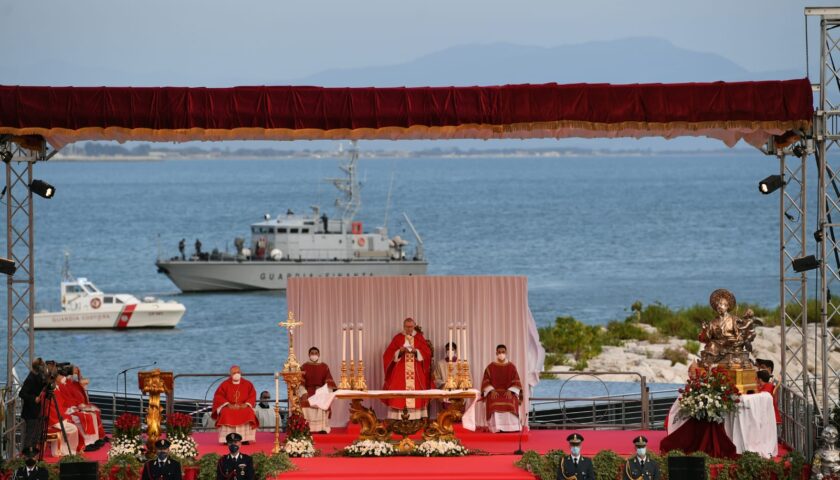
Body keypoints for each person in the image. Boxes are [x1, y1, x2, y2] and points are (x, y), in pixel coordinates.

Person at [382, 317, 432, 420]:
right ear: (403, 326)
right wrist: (399, 352)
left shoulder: (419, 337)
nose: (409, 329)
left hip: (416, 369)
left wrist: (416, 351)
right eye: (407, 327)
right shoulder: (398, 338)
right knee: (398, 389)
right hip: (401, 370)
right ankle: (398, 417)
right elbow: (388, 354)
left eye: (411, 327)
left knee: (418, 391)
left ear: (414, 326)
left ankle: (416, 417)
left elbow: (427, 353)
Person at [481, 344, 523, 433]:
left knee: (510, 400)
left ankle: (512, 427)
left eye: (503, 352)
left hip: (508, 392)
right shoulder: (490, 367)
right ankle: (496, 428)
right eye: (499, 352)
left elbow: (516, 381)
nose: (501, 354)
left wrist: (511, 390)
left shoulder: (511, 366)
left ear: (506, 352)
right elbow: (486, 381)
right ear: (496, 353)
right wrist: (491, 390)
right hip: (494, 392)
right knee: (494, 401)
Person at [212, 366, 258, 445]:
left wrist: (246, 404)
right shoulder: (225, 384)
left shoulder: (247, 384)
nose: (236, 374)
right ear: (230, 374)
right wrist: (227, 404)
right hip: (229, 406)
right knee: (225, 412)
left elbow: (252, 395)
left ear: (241, 373)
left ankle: (245, 439)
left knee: (249, 411)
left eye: (238, 372)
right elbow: (218, 396)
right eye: (234, 373)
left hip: (243, 405)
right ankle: (227, 439)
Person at [63, 366, 105, 451]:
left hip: (77, 405)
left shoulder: (75, 384)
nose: (75, 375)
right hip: (69, 409)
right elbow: (67, 399)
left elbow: (80, 395)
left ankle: (94, 440)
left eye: (77, 373)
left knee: (94, 413)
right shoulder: (65, 385)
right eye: (74, 372)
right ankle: (87, 442)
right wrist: (77, 407)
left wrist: (82, 405)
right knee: (87, 416)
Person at [43, 367, 82, 456]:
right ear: (56, 378)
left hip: (57, 416)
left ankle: (62, 450)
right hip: (53, 420)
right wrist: (65, 417)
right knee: (74, 428)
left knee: (74, 423)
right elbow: (52, 408)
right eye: (60, 376)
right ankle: (69, 451)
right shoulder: (51, 390)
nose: (62, 377)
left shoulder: (56, 388)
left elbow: (61, 404)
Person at [299, 347, 337, 433]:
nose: (314, 354)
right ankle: (307, 428)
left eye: (316, 353)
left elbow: (329, 383)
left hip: (321, 391)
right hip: (308, 391)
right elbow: (300, 383)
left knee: (323, 401)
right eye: (312, 353)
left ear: (319, 354)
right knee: (305, 401)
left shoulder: (324, 366)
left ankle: (322, 428)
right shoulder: (304, 367)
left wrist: (325, 392)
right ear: (309, 355)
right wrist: (303, 393)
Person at [18, 358, 47, 450]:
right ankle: (27, 456)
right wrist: (34, 398)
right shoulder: (30, 378)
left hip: (37, 410)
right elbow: (21, 393)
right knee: (30, 435)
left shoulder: (38, 376)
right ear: (38, 367)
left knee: (36, 435)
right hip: (30, 412)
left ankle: (34, 453)